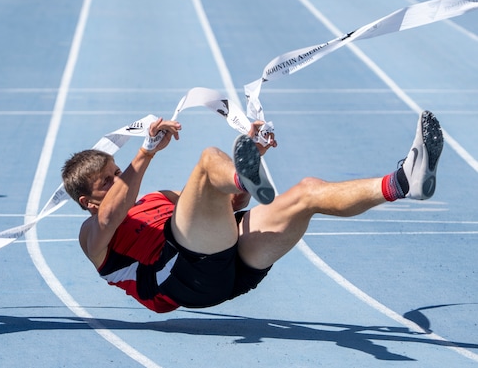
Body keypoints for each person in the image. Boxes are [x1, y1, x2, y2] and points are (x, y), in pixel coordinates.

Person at [61, 111, 443, 313]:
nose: (119, 179)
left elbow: (224, 210)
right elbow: (113, 215)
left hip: (232, 269)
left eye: (117, 171)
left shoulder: (158, 198)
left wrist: (254, 154)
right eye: (108, 181)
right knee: (209, 159)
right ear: (88, 202)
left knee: (308, 191)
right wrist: (144, 152)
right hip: (180, 279)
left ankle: (403, 183)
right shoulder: (91, 234)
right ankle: (241, 175)